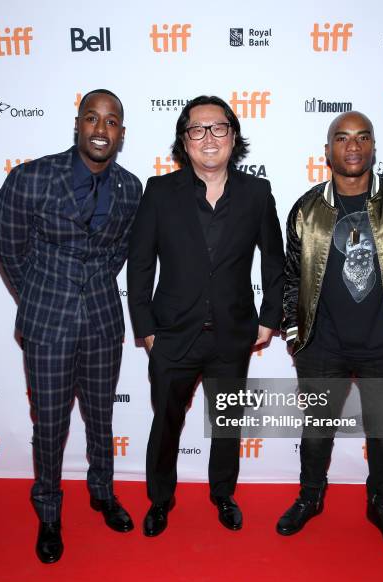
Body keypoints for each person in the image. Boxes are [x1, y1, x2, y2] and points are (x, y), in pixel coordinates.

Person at [277, 111, 383, 554]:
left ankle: (381, 505)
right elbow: (290, 276)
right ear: (326, 150)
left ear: (372, 147)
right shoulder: (307, 209)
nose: (352, 146)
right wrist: (295, 331)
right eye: (341, 138)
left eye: (362, 137)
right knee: (316, 430)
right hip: (321, 345)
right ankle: (310, 498)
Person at [127, 95, 284, 536]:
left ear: (234, 137)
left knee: (227, 425)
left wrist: (269, 319)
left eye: (218, 128)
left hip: (233, 335)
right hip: (172, 335)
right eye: (197, 129)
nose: (209, 138)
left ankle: (223, 494)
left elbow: (274, 260)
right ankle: (160, 500)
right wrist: (146, 330)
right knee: (166, 423)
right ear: (184, 141)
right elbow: (140, 265)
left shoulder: (257, 193)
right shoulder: (159, 192)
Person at [0, 89, 142, 563]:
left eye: (112, 122)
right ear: (77, 124)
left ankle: (102, 493)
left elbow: (118, 253)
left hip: (103, 320)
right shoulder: (30, 179)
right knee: (51, 424)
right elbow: (10, 253)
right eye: (93, 119)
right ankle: (49, 512)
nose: (102, 130)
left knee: (101, 417)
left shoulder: (131, 188)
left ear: (121, 132)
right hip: (47, 324)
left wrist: (89, 290)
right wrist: (41, 298)